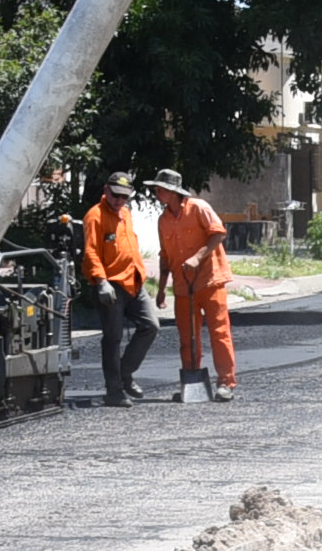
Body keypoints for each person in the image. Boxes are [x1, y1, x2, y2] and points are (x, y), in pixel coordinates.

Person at [152, 170, 237, 403]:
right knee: (187, 337)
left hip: (210, 280)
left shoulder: (198, 207)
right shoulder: (164, 220)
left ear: (173, 192)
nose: (156, 192)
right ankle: (192, 383)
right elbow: (165, 257)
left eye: (160, 189)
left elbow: (218, 232)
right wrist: (161, 288)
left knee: (219, 332)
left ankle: (225, 383)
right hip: (183, 286)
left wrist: (198, 257)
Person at [79, 168, 154, 405]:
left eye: (124, 197)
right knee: (113, 337)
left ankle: (124, 373)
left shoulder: (126, 213)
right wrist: (101, 282)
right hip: (110, 284)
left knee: (151, 325)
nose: (119, 201)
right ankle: (114, 391)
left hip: (133, 281)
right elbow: (90, 252)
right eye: (115, 195)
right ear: (106, 191)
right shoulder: (95, 216)